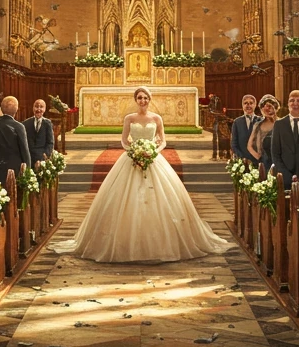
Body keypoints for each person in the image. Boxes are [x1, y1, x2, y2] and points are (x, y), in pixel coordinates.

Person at [55, 87, 230, 262]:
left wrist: (154, 151)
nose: (143, 100)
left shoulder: (157, 118)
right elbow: (124, 140)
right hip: (132, 157)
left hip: (153, 158)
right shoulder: (129, 118)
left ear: (149, 99)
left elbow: (163, 140)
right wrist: (134, 151)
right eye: (139, 97)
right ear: (135, 100)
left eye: (145, 97)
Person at [269, 89, 299, 189]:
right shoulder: (279, 124)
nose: (295, 103)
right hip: (284, 176)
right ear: (288, 103)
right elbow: (275, 153)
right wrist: (287, 175)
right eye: (292, 100)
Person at [0, 96, 32, 186]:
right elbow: (25, 151)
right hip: (15, 170)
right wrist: (27, 172)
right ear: (16, 109)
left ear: (1, 108)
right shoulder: (19, 127)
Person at [247, 95, 279, 174]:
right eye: (264, 107)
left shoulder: (281, 123)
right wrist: (258, 157)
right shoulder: (257, 125)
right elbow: (249, 145)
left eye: (270, 107)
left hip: (279, 160)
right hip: (264, 161)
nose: (267, 110)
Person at [23, 99, 56, 163]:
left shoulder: (48, 123)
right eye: (36, 106)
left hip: (42, 158)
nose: (38, 109)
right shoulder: (26, 123)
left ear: (45, 109)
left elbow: (50, 142)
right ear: (33, 108)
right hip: (29, 157)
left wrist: (45, 156)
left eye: (41, 107)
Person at [230, 94, 261, 164]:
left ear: (255, 105)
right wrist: (243, 158)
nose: (248, 105)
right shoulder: (237, 122)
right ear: (242, 106)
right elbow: (234, 144)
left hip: (258, 161)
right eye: (245, 103)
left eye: (251, 103)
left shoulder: (261, 121)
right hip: (242, 161)